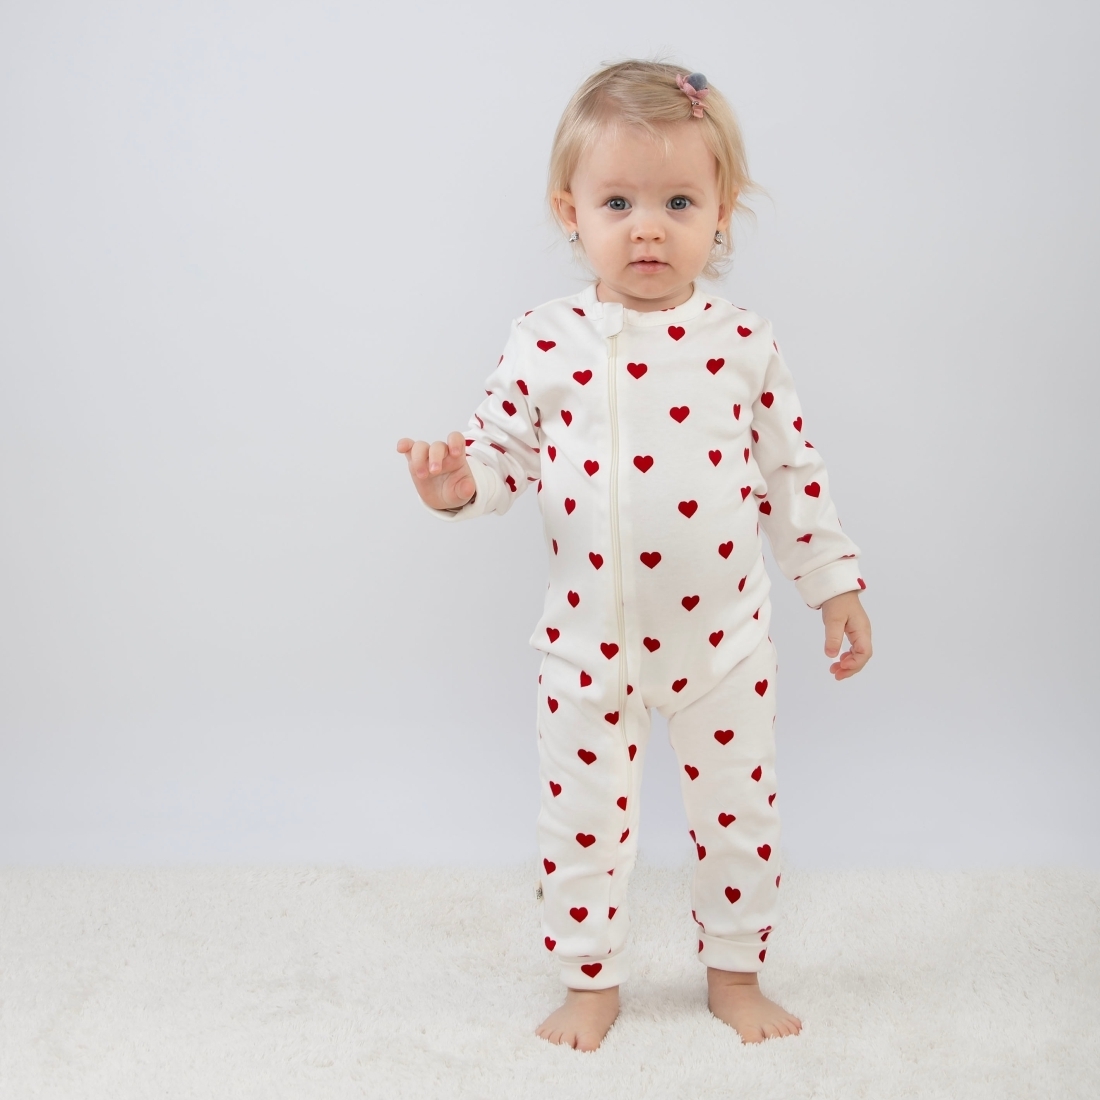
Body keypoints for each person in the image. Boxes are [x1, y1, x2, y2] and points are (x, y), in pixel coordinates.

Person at [396, 59, 873, 1052]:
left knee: (738, 818)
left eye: (677, 202)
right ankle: (589, 982)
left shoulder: (742, 342)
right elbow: (499, 453)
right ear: (568, 211)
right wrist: (456, 484)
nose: (646, 228)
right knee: (579, 827)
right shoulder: (544, 339)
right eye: (617, 203)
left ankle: (735, 973)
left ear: (722, 212)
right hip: (585, 649)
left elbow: (792, 473)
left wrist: (833, 586)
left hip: (724, 645)